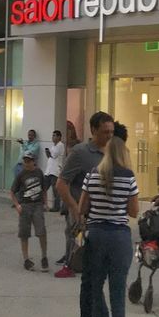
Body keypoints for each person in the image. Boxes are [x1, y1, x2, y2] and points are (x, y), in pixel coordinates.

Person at [75, 125, 139, 317]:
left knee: (96, 289)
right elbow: (134, 211)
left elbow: (82, 208)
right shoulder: (128, 176)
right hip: (119, 237)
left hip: (96, 236)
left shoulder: (93, 175)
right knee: (118, 294)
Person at [56, 111, 115, 276]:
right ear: (93, 130)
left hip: (104, 211)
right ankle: (69, 266)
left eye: (112, 132)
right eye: (105, 132)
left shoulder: (113, 152)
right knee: (76, 241)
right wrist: (75, 209)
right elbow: (61, 184)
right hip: (81, 208)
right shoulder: (80, 152)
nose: (109, 136)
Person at [11, 153, 50, 272]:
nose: (27, 164)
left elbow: (44, 189)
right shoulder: (21, 175)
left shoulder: (39, 172)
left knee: (41, 231)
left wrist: (45, 203)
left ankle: (44, 256)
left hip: (37, 205)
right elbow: (12, 191)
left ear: (33, 161)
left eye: (29, 161)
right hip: (25, 205)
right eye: (25, 161)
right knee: (24, 233)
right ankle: (26, 259)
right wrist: (17, 205)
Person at [43, 131, 65, 213]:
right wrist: (47, 153)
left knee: (55, 190)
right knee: (44, 188)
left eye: (54, 136)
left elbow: (54, 155)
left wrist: (49, 153)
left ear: (59, 137)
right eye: (52, 136)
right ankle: (43, 205)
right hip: (49, 170)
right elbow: (49, 156)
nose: (53, 137)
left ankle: (56, 207)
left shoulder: (60, 145)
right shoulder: (53, 146)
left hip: (55, 171)